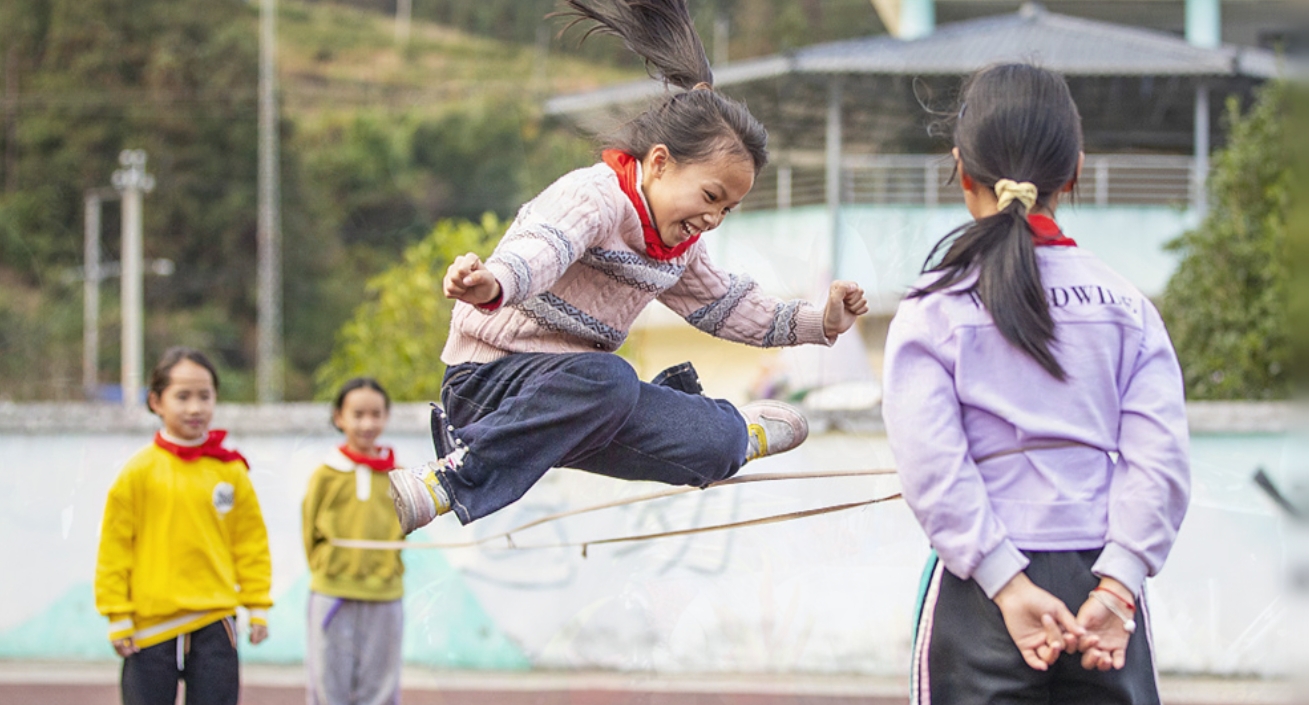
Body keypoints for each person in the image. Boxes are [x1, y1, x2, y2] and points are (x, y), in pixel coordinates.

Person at [389, 0, 869, 534]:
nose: (711, 219)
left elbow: (727, 306)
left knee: (716, 447)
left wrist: (819, 322)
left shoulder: (677, 247)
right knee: (610, 380)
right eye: (710, 196)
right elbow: (542, 247)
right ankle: (446, 480)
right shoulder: (594, 197)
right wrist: (493, 283)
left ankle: (735, 434)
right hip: (492, 383)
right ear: (659, 163)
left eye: (726, 210)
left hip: (575, 398)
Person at [883, 63, 1191, 705]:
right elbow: (1160, 460)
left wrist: (1008, 586)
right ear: (1074, 170)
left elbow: (933, 466)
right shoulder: (1128, 306)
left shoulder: (933, 308)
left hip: (982, 590)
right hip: (1102, 590)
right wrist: (1118, 587)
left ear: (962, 170)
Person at [94, 347, 272, 705]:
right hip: (150, 626)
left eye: (204, 396)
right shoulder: (137, 472)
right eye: (183, 396)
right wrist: (118, 615)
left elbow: (250, 542)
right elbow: (115, 549)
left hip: (216, 620)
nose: (195, 408)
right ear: (156, 401)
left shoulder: (231, 472)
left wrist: (258, 606)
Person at [302, 378, 405, 705]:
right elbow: (310, 531)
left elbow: (406, 526)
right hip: (332, 594)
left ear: (386, 417)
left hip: (384, 595)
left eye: (376, 414)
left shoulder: (398, 476)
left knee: (381, 687)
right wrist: (327, 567)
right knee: (328, 685)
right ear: (339, 417)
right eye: (357, 414)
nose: (367, 423)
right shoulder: (326, 474)